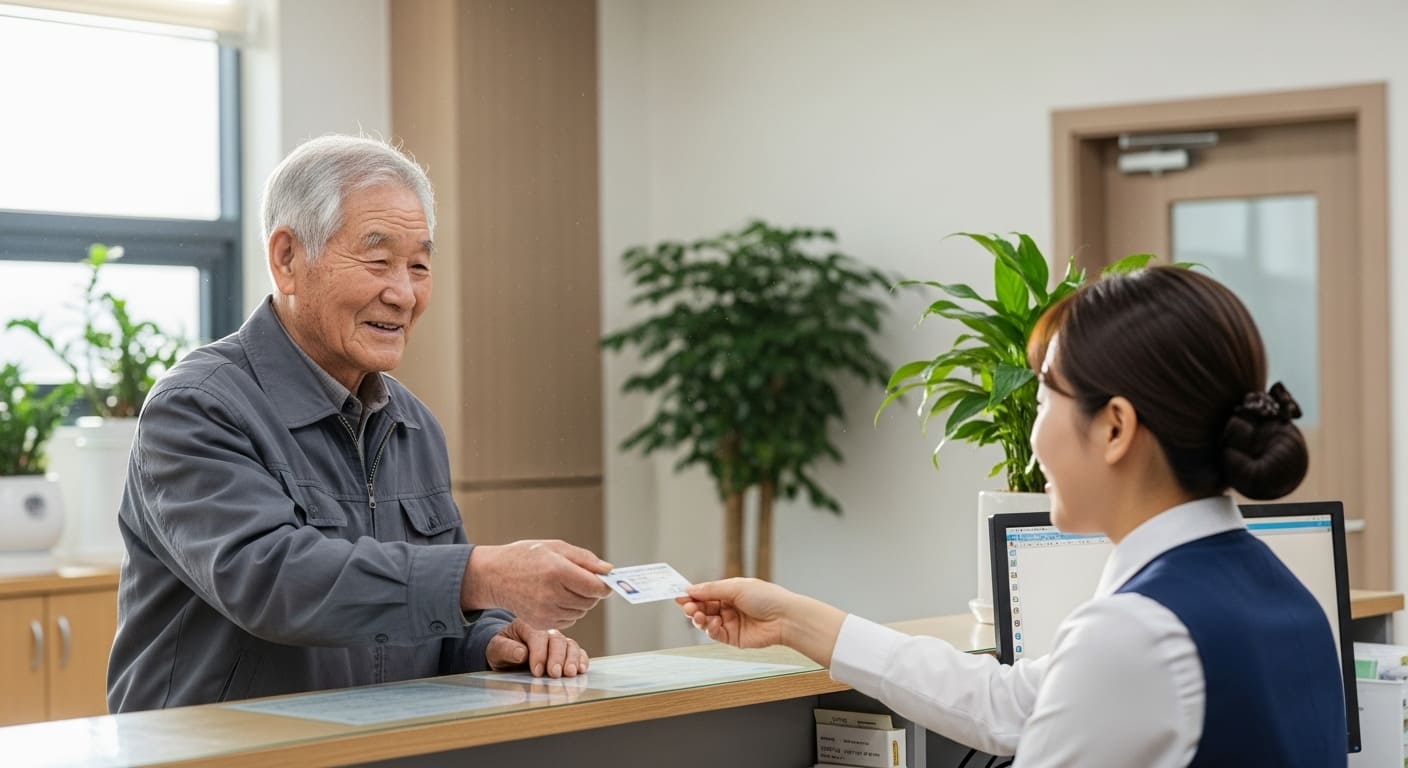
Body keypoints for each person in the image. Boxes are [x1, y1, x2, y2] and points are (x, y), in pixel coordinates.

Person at [679, 267, 1346, 767]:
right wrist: (796, 618)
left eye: (1044, 398)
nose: (1033, 438)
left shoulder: (1136, 632)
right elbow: (1013, 703)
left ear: (1114, 427)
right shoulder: (1285, 597)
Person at [108, 135, 614, 713]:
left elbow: (433, 619)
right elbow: (272, 581)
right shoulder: (196, 407)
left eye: (419, 266)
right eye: (377, 261)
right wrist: (482, 575)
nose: (402, 294)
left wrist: (490, 640)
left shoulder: (412, 424)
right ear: (287, 259)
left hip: (371, 745)